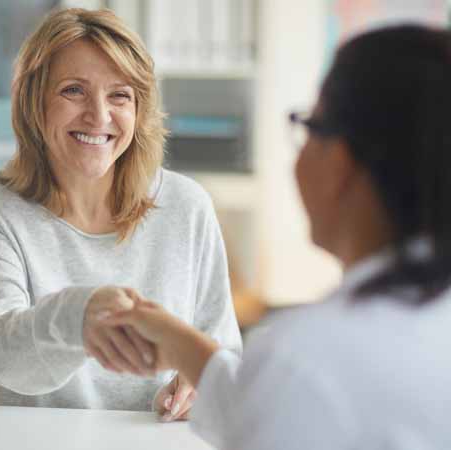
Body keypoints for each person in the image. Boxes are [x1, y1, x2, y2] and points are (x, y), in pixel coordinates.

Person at [100, 24, 451, 448]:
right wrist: (180, 347)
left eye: (308, 126)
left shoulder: (306, 357)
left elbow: (285, 403)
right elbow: (267, 406)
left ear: (339, 162)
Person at [0, 7, 241, 415]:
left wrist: (197, 384)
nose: (99, 116)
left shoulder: (187, 205)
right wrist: (80, 318)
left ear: (139, 111)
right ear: (34, 102)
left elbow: (222, 353)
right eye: (73, 90)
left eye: (119, 95)